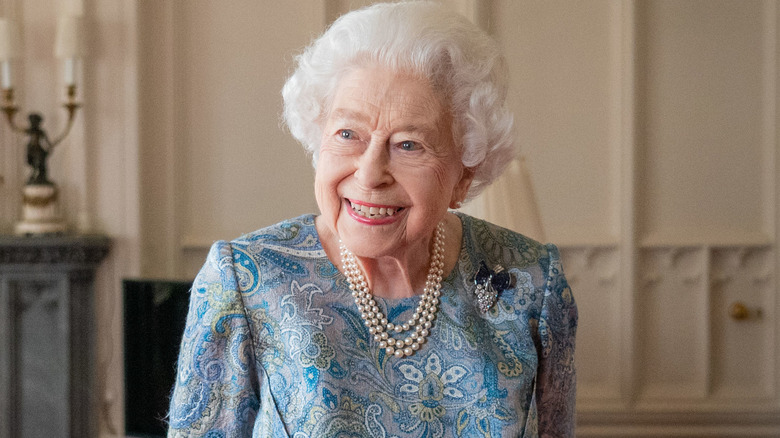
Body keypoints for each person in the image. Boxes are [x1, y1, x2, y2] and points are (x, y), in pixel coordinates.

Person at [167, 2, 577, 437]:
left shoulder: (531, 282)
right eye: (348, 134)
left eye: (408, 144)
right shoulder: (246, 281)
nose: (369, 174)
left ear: (464, 174)